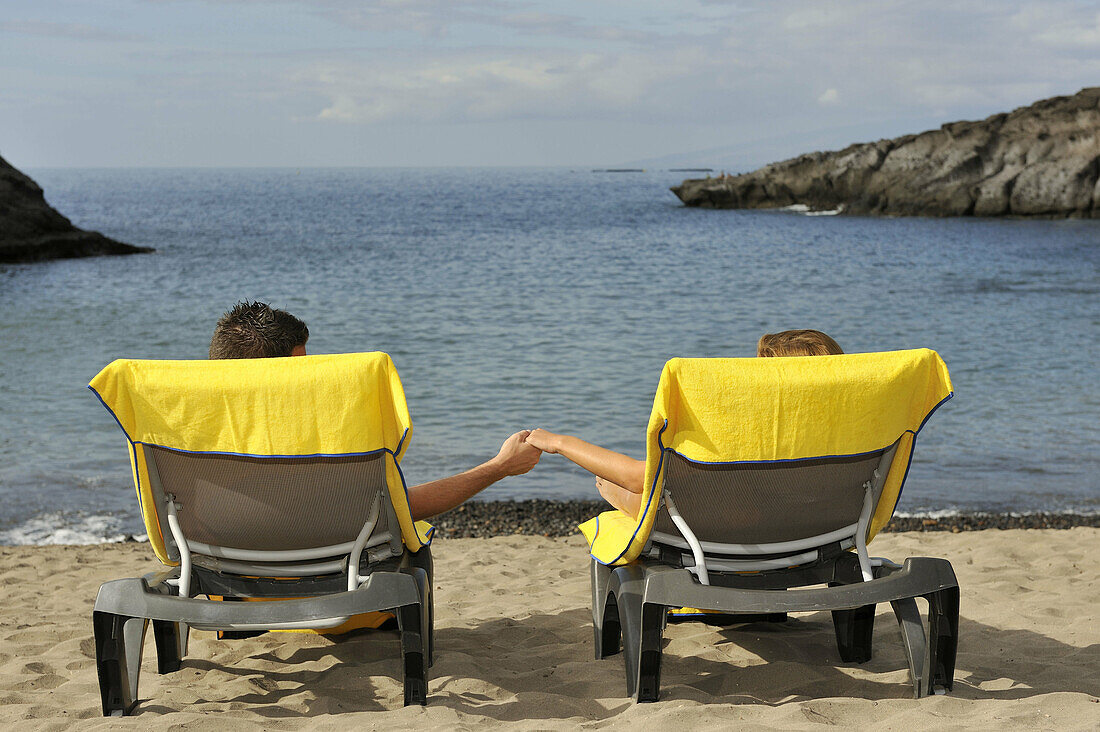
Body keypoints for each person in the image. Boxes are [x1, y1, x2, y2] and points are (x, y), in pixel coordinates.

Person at [209, 301, 542, 521]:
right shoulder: (319, 437)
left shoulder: (189, 435)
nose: (307, 377)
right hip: (334, 597)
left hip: (224, 595)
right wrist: (500, 467)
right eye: (301, 368)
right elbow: (398, 509)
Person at [524, 329, 843, 519]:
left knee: (611, 484)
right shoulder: (846, 432)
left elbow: (639, 479)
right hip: (816, 534)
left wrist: (559, 443)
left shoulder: (744, 430)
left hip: (733, 535)